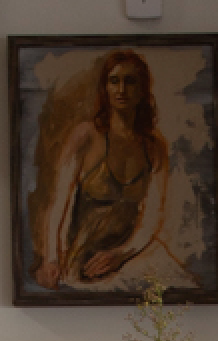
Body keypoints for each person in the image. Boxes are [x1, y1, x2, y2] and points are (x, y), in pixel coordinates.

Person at [36, 49, 171, 291]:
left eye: (130, 82)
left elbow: (152, 217)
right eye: (114, 81)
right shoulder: (86, 135)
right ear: (104, 88)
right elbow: (59, 203)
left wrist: (121, 254)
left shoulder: (154, 147)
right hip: (87, 255)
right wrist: (51, 258)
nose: (121, 90)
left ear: (142, 90)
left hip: (131, 251)